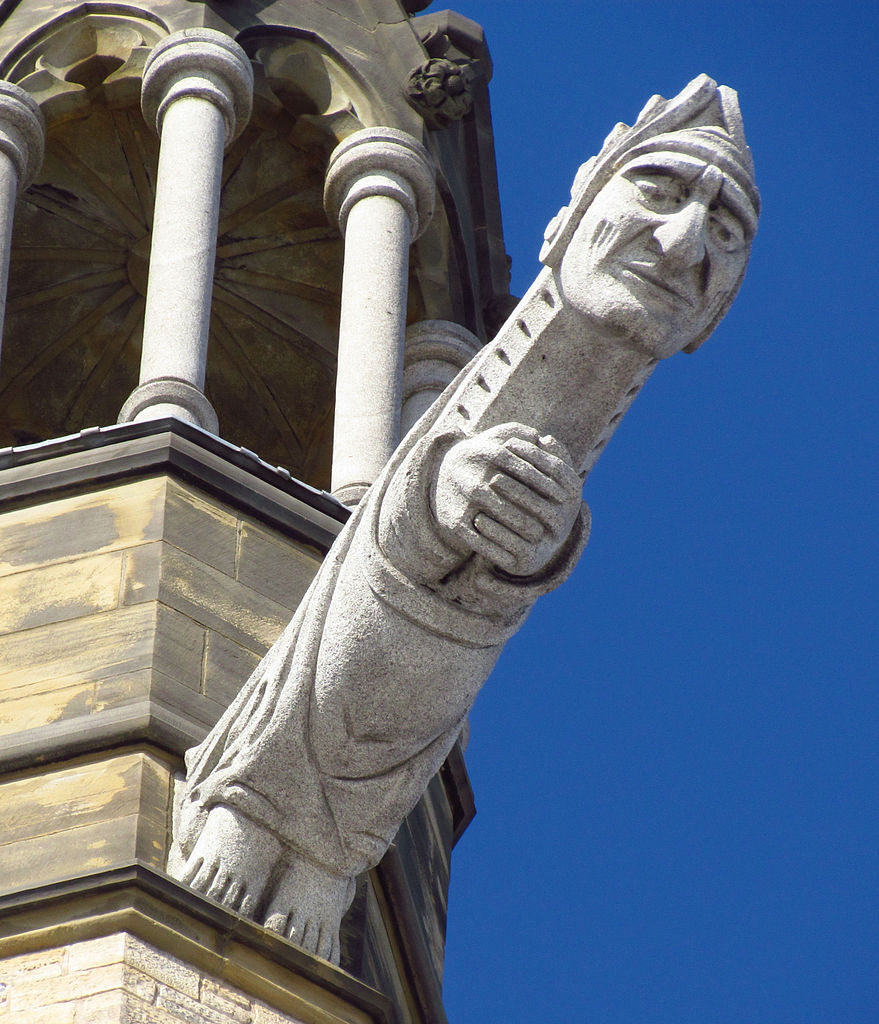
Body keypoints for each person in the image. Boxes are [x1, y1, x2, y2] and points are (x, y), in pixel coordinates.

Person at [169, 74, 759, 964]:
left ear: (713, 319)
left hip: (382, 773)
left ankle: (336, 837)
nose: (681, 245)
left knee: (473, 600)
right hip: (297, 694)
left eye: (722, 233)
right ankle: (258, 795)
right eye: (660, 190)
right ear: (567, 221)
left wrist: (542, 545)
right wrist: (443, 491)